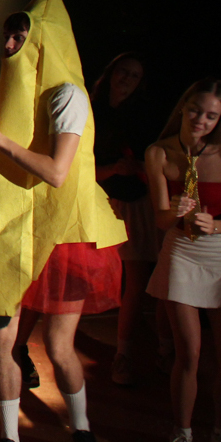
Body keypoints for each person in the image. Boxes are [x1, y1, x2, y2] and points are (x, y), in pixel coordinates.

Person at [0, 0, 126, 442]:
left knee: (58, 346)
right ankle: (9, 441)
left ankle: (82, 430)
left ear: (44, 42)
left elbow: (56, 172)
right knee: (2, 346)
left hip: (62, 234)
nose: (9, 45)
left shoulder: (67, 95)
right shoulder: (4, 99)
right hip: (11, 230)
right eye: (6, 37)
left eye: (19, 37)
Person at [145, 79, 221, 442]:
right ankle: (182, 435)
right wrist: (173, 210)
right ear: (183, 106)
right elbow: (161, 219)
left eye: (211, 115)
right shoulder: (159, 152)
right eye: (195, 110)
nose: (201, 120)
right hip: (182, 251)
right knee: (188, 352)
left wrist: (216, 225)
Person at [90, 52, 165, 385]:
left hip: (133, 201)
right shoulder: (92, 109)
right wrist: (111, 169)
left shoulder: (143, 115)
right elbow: (77, 165)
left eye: (134, 75)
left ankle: (127, 353)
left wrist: (135, 168)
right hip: (97, 199)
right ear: (111, 72)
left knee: (140, 278)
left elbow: (157, 161)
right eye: (123, 71)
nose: (127, 79)